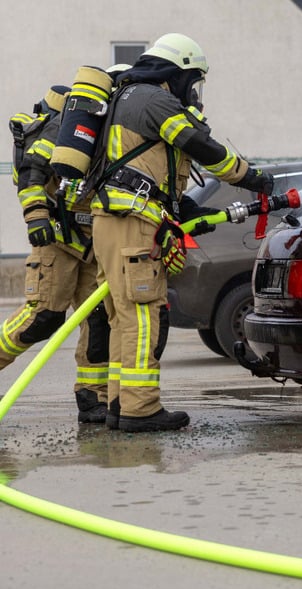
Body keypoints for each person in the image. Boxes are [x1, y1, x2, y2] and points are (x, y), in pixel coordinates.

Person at [91, 33, 273, 432]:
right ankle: (140, 410)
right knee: (143, 317)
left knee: (123, 320)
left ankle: (120, 405)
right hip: (132, 224)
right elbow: (200, 146)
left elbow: (147, 171)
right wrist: (250, 177)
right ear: (178, 73)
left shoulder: (127, 97)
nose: (193, 92)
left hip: (111, 222)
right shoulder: (156, 100)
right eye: (193, 81)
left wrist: (191, 210)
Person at [2, 85, 112, 424]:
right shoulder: (63, 127)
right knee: (43, 317)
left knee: (96, 321)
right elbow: (33, 172)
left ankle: (92, 397)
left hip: (90, 244)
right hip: (57, 238)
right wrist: (36, 217)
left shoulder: (102, 126)